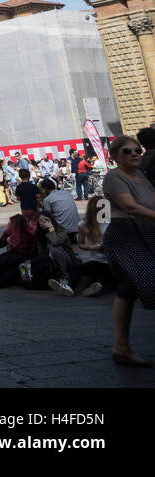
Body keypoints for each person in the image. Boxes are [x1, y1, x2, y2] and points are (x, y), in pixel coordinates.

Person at [94, 135, 155, 365]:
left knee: (130, 287)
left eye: (137, 150)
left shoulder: (140, 175)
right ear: (116, 156)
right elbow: (130, 207)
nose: (135, 154)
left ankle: (121, 347)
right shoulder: (114, 177)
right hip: (125, 235)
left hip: (144, 232)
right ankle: (121, 347)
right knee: (143, 281)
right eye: (128, 151)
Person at [76, 195, 114, 297]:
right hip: (95, 259)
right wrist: (92, 248)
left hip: (110, 260)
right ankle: (68, 286)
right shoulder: (83, 224)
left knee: (105, 270)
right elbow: (81, 244)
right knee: (78, 268)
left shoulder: (110, 222)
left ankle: (98, 286)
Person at [40, 178, 80, 242]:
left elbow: (47, 215)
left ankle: (50, 238)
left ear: (45, 189)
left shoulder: (47, 199)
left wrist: (42, 205)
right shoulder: (67, 193)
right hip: (76, 226)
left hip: (63, 229)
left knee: (43, 218)